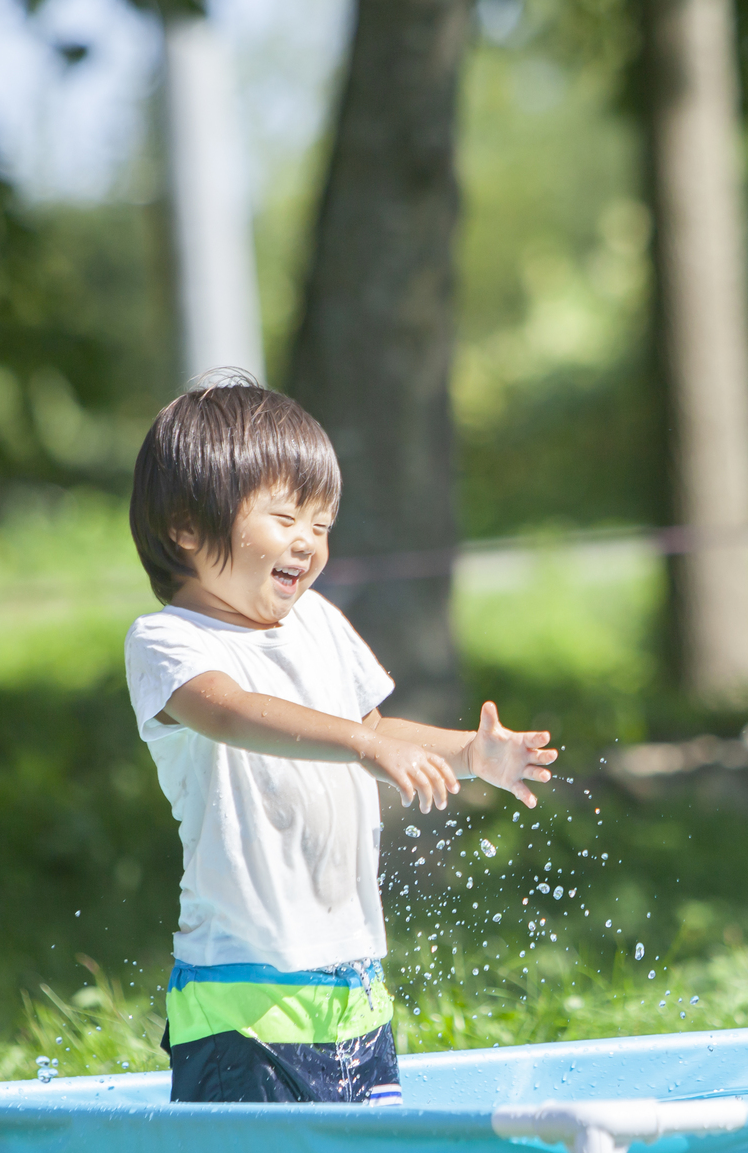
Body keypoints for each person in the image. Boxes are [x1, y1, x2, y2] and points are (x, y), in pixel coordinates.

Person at [124, 371, 557, 1104]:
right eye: (286, 517)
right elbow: (232, 711)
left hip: (352, 980)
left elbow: (376, 729)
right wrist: (363, 747)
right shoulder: (169, 642)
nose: (308, 542)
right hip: (241, 996)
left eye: (321, 525)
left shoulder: (319, 622)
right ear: (186, 528)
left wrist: (467, 753)